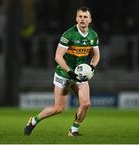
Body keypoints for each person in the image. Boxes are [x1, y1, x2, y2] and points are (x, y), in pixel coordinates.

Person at [24, 6, 100, 136]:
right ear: (76, 18)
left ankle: (73, 130)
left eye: (85, 17)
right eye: (80, 16)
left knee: (86, 103)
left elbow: (96, 55)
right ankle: (33, 120)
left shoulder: (93, 35)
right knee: (58, 108)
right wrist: (70, 72)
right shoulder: (68, 34)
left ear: (90, 20)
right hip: (64, 73)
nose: (82, 19)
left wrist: (92, 67)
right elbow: (58, 57)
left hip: (80, 75)